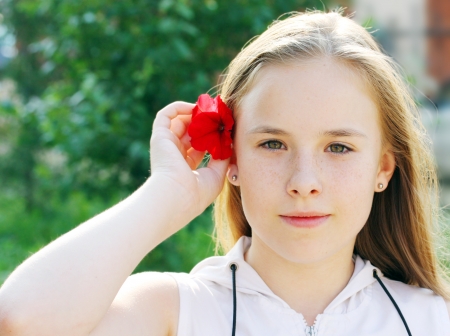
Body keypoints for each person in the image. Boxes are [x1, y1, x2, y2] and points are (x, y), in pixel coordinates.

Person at [0, 8, 449, 336]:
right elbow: (21, 321)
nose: (304, 181)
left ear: (383, 168)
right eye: (272, 143)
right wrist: (165, 196)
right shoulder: (178, 312)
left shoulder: (432, 320)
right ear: (231, 157)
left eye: (338, 147)